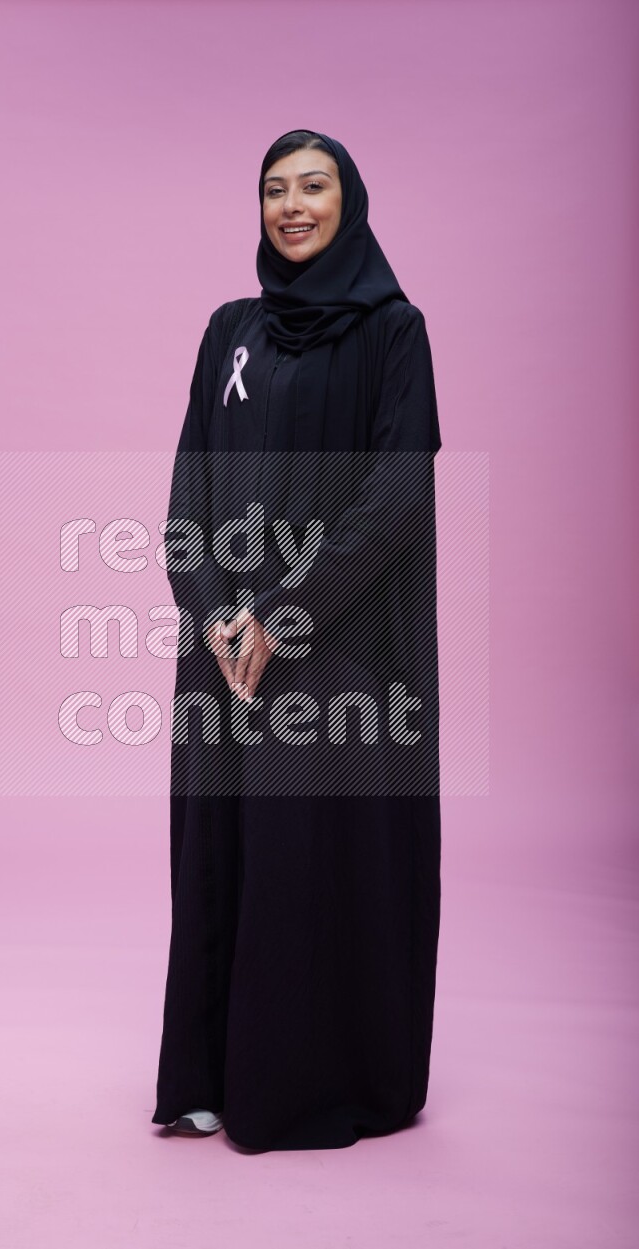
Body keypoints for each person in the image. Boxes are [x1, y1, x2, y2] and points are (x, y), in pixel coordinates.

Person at [151, 129, 442, 1151]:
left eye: (312, 186)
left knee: (308, 858)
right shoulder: (228, 329)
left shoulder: (392, 331)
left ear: (347, 201)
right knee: (220, 852)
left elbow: (394, 495)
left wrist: (281, 612)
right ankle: (204, 1076)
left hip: (336, 645)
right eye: (274, 189)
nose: (291, 205)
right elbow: (189, 482)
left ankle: (307, 1083)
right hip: (221, 649)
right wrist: (216, 610)